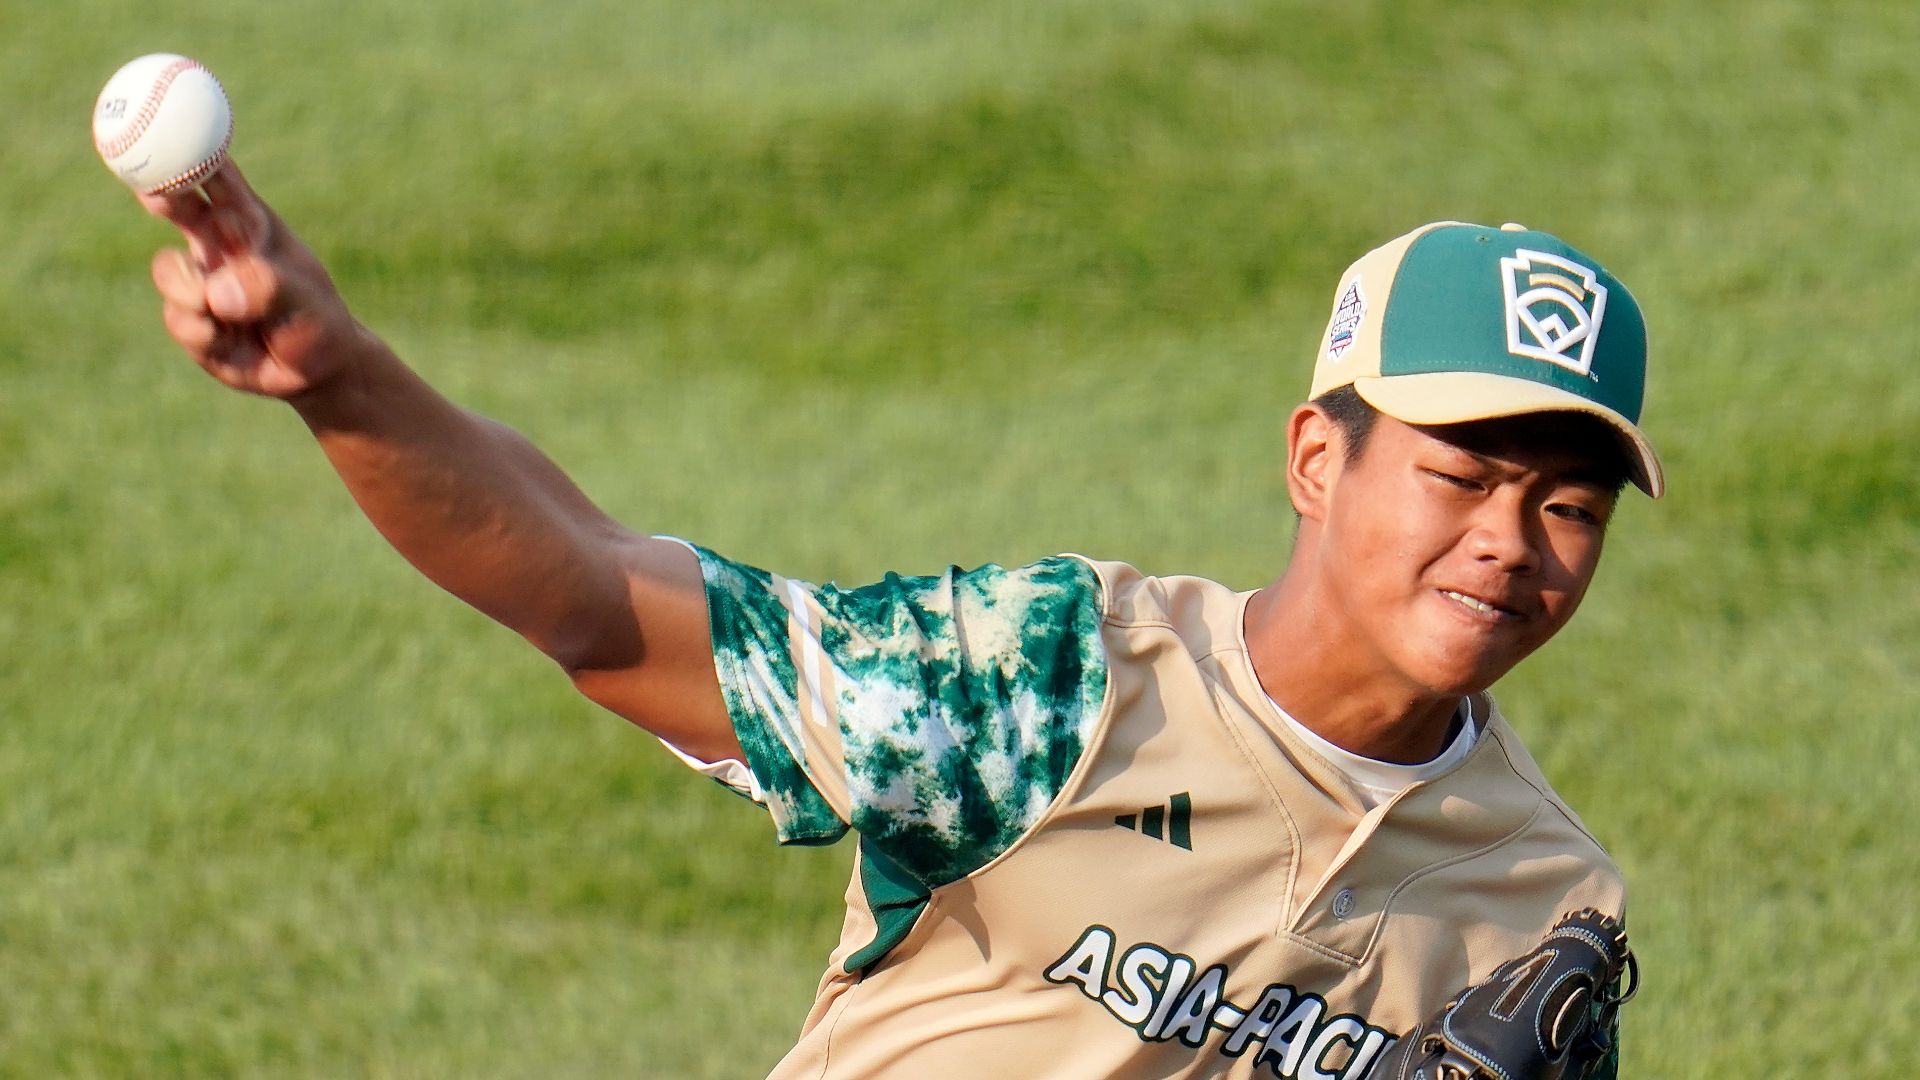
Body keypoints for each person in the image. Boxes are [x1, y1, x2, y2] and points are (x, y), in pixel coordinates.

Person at [139, 165, 1658, 1079]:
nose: (1508, 543)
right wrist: (340, 380)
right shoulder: (1059, 678)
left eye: (1570, 508)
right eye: (1462, 475)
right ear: (1318, 460)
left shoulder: (1541, 901)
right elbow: (599, 600)